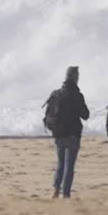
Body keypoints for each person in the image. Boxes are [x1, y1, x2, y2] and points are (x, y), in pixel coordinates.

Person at [43, 66, 90, 198]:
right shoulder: (77, 95)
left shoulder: (56, 94)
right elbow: (85, 115)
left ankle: (56, 189)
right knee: (69, 165)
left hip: (58, 133)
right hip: (73, 134)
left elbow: (48, 113)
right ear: (75, 78)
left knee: (61, 162)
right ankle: (66, 193)